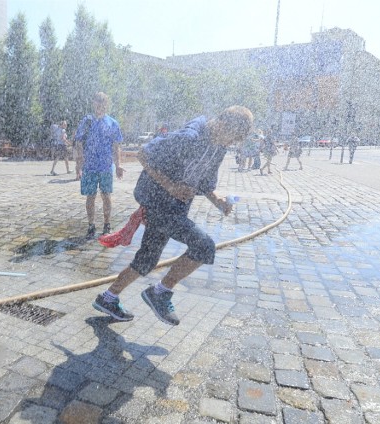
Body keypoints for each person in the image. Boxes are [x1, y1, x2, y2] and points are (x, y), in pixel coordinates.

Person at [92, 106, 253, 325]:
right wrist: (170, 185)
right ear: (223, 124)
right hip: (159, 203)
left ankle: (108, 298)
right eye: (231, 138)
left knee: (147, 260)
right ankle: (161, 291)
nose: (230, 144)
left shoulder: (218, 147)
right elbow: (144, 154)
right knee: (204, 246)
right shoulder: (190, 137)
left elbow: (204, 181)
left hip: (176, 207)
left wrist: (218, 201)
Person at [75, 92, 124, 238]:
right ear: (93, 103)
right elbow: (78, 142)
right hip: (89, 166)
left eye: (102, 103)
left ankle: (107, 224)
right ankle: (91, 225)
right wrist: (79, 163)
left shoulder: (112, 123)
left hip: (106, 166)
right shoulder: (87, 121)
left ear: (106, 105)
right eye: (97, 103)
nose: (99, 106)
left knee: (106, 195)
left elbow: (116, 146)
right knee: (90, 196)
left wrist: (118, 165)